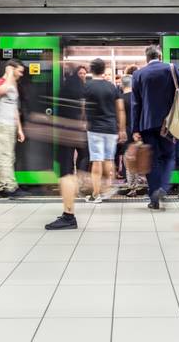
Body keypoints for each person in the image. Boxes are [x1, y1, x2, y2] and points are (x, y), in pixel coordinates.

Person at [131, 45, 179, 210]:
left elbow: (135, 104)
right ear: (160, 56)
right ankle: (163, 187)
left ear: (147, 58)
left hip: (146, 124)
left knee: (151, 161)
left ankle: (154, 198)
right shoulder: (171, 69)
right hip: (168, 123)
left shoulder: (138, 74)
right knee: (169, 156)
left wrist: (135, 129)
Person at [45, 66, 88, 230]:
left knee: (66, 173)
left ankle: (69, 216)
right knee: (69, 170)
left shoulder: (69, 86)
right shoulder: (78, 88)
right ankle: (68, 214)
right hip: (74, 132)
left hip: (69, 132)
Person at [84, 58, 126, 203]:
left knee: (96, 160)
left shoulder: (87, 87)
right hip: (110, 128)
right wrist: (121, 129)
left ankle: (96, 194)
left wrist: (84, 121)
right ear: (103, 70)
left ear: (91, 70)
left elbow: (83, 108)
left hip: (94, 128)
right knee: (109, 158)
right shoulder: (112, 87)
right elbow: (120, 108)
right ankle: (108, 188)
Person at [0, 59, 26, 198]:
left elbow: (15, 109)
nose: (21, 74)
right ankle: (11, 187)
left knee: (3, 157)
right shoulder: (0, 82)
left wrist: (19, 129)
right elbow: (0, 91)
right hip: (1, 124)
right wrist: (9, 75)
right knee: (6, 156)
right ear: (11, 69)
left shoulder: (13, 84)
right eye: (19, 71)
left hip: (9, 124)